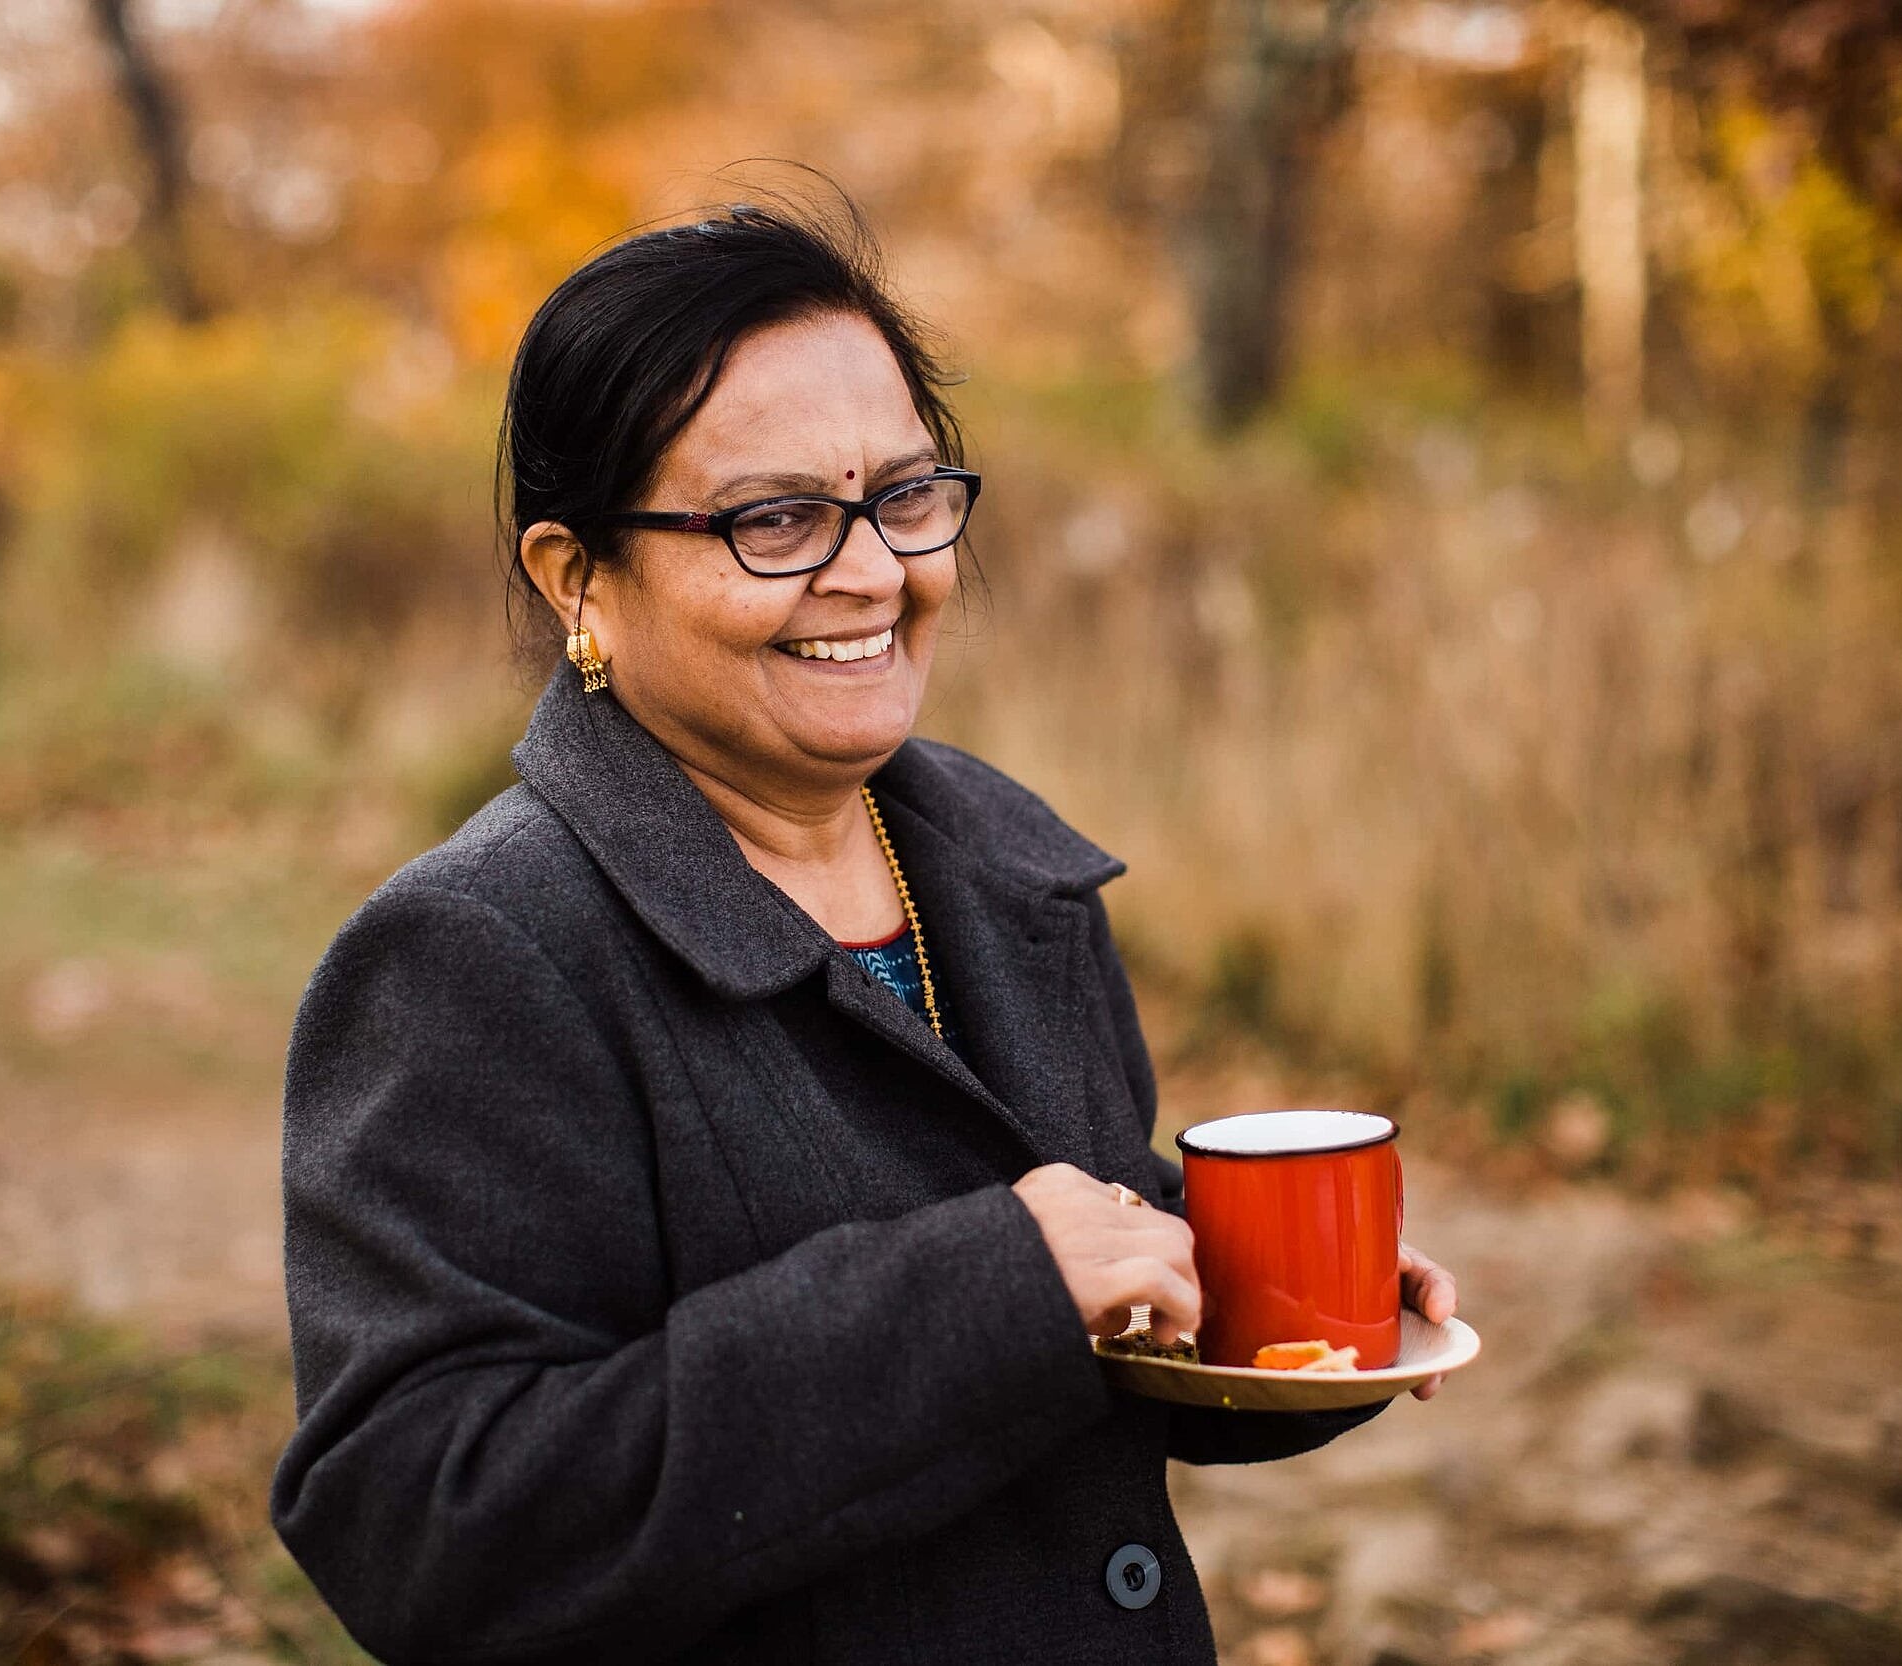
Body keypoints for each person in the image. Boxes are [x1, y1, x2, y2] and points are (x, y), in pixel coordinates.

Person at [270, 193, 1461, 1666]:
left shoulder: (1003, 867)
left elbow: (1060, 1310)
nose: (873, 573)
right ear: (577, 577)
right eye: (775, 519)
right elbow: (425, 1526)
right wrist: (991, 1293)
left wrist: (1278, 1301)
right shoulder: (479, 955)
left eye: (903, 494)